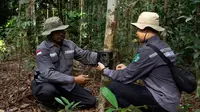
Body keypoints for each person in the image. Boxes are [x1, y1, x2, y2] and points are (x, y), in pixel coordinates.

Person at [97, 12, 180, 112]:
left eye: (138, 29)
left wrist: (104, 70)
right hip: (172, 100)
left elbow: (125, 77)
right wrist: (128, 69)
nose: (136, 32)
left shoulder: (148, 50)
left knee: (114, 86)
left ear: (146, 30)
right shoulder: (163, 46)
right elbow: (152, 70)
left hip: (162, 101)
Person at [31, 17, 98, 111]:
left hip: (65, 84)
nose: (61, 33)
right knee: (48, 92)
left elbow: (85, 55)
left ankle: (62, 102)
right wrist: (74, 79)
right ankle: (46, 104)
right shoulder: (42, 49)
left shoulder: (69, 44)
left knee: (91, 102)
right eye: (57, 31)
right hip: (47, 83)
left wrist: (101, 57)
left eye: (62, 30)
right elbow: (48, 74)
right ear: (50, 33)